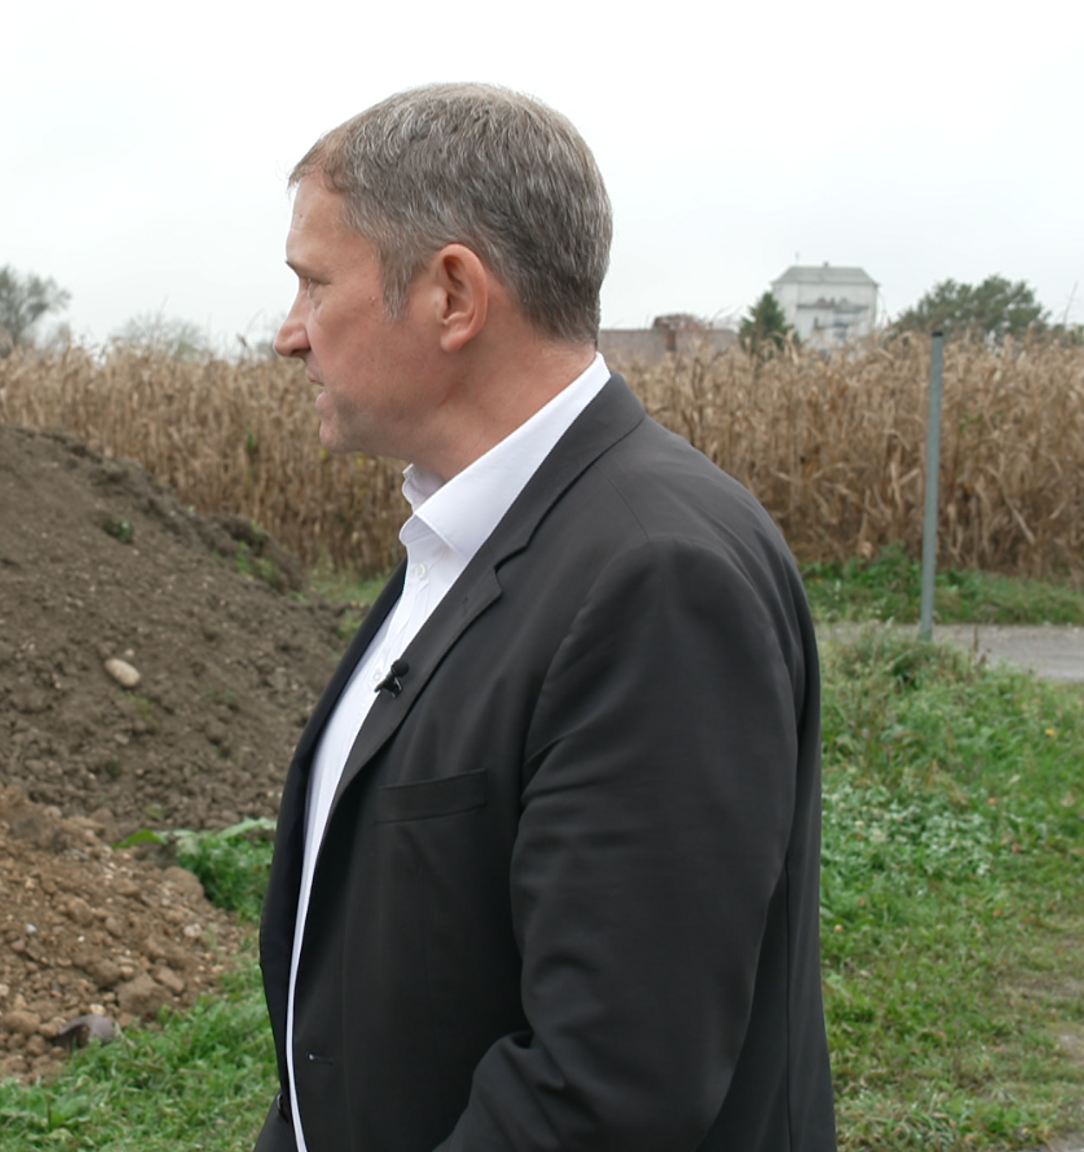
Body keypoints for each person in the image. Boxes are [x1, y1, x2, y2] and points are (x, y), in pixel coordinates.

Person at [253, 84, 835, 1152]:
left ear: (451, 295)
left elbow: (605, 1090)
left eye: (310, 283)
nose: (287, 335)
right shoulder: (472, 529)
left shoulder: (653, 579)